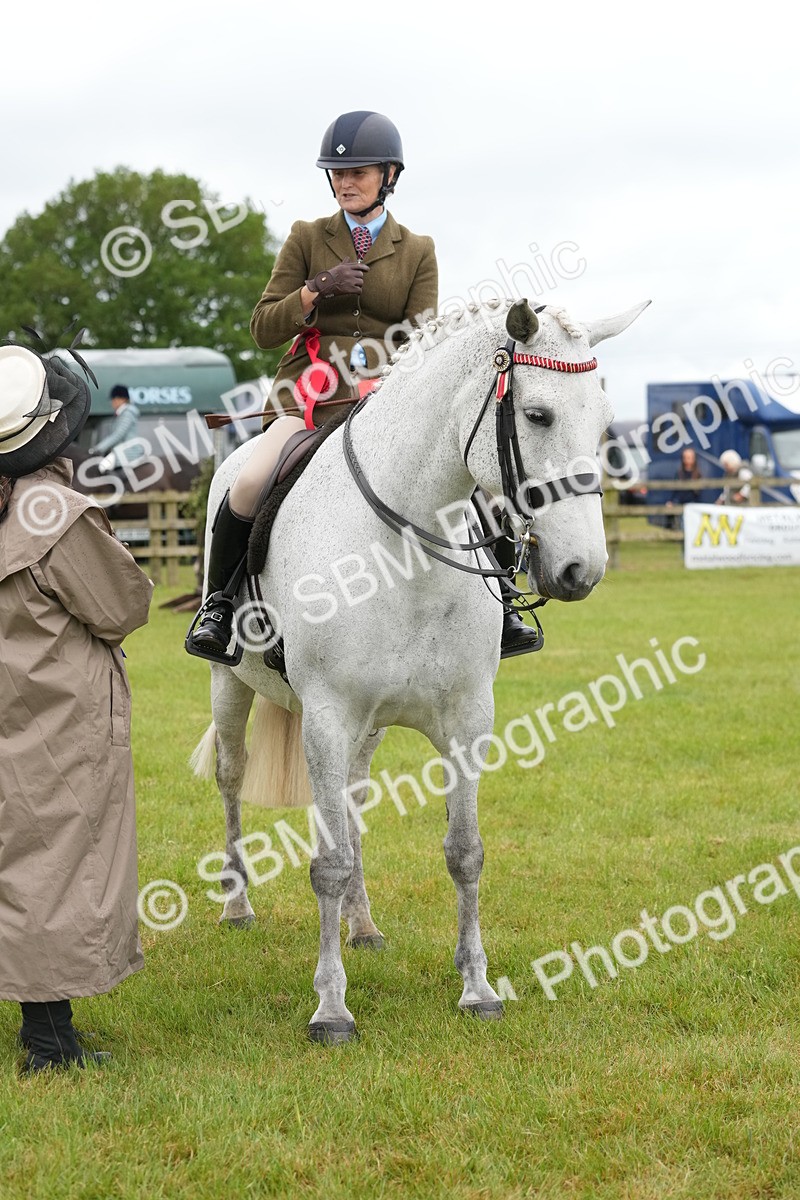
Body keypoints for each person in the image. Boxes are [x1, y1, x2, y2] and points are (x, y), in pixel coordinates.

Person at [187, 109, 539, 661]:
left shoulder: (417, 249)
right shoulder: (306, 237)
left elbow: (422, 341)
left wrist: (377, 373)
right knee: (252, 480)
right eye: (337, 173)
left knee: (472, 483)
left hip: (385, 402)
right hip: (305, 399)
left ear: (389, 176)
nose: (345, 183)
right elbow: (262, 328)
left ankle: (506, 605)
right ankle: (219, 607)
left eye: (359, 173)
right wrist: (312, 292)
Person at [0, 343, 153, 1074]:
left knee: (22, 859)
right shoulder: (52, 513)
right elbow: (123, 606)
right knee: (54, 865)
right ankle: (47, 1044)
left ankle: (44, 1024)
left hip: (15, 708)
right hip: (55, 717)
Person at [91, 383, 140, 473]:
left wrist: (97, 449)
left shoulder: (127, 414)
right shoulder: (121, 413)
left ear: (121, 399)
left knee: (102, 467)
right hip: (121, 450)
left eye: (114, 399)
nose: (112, 402)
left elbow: (118, 435)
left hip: (128, 451)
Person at [665, 446, 703, 528]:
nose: (687, 460)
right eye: (685, 457)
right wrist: (671, 501)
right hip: (679, 502)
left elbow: (698, 494)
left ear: (694, 459)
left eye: (689, 457)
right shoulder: (679, 473)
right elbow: (675, 490)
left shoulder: (697, 475)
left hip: (692, 504)